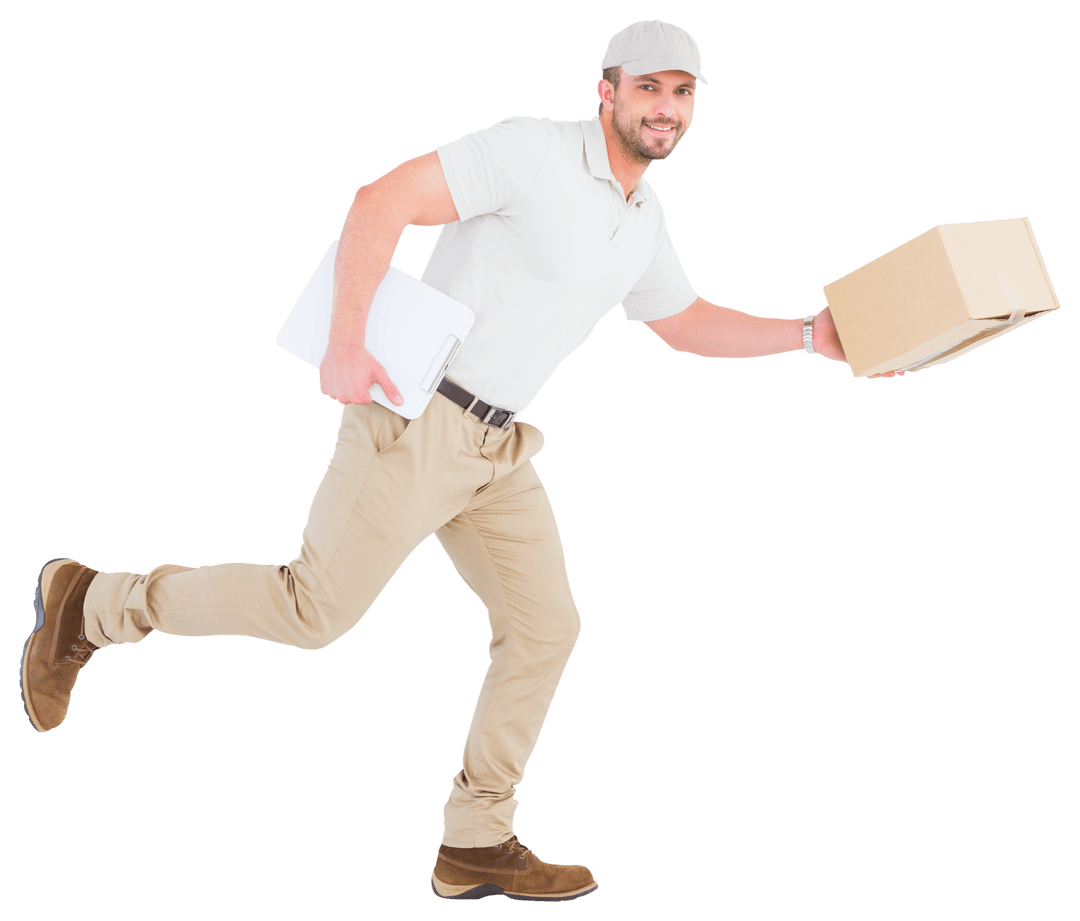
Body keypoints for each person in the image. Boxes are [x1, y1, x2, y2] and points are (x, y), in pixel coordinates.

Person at [17, 19, 896, 904]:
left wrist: (808, 338)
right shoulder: (530, 151)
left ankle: (475, 839)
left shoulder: (642, 217)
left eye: (684, 93)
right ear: (607, 90)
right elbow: (380, 199)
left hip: (496, 446)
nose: (666, 108)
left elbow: (681, 320)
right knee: (313, 609)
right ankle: (93, 602)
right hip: (417, 418)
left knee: (548, 625)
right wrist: (346, 341)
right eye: (649, 88)